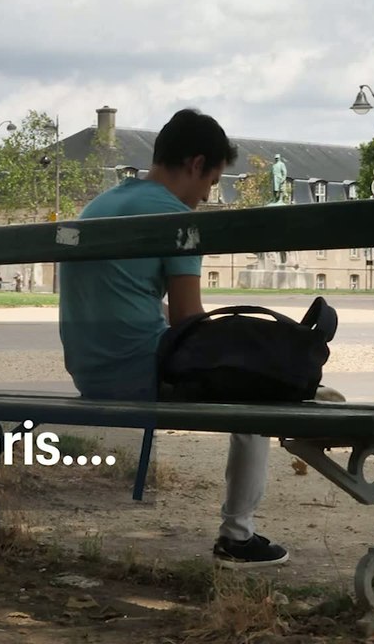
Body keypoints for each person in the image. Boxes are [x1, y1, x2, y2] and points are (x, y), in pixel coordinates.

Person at [59, 108, 324, 569]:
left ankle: (313, 396)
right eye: (212, 181)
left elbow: (127, 299)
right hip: (140, 376)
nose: (206, 195)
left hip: (89, 373)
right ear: (197, 164)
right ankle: (238, 535)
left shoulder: (99, 206)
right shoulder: (176, 219)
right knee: (253, 395)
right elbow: (186, 319)